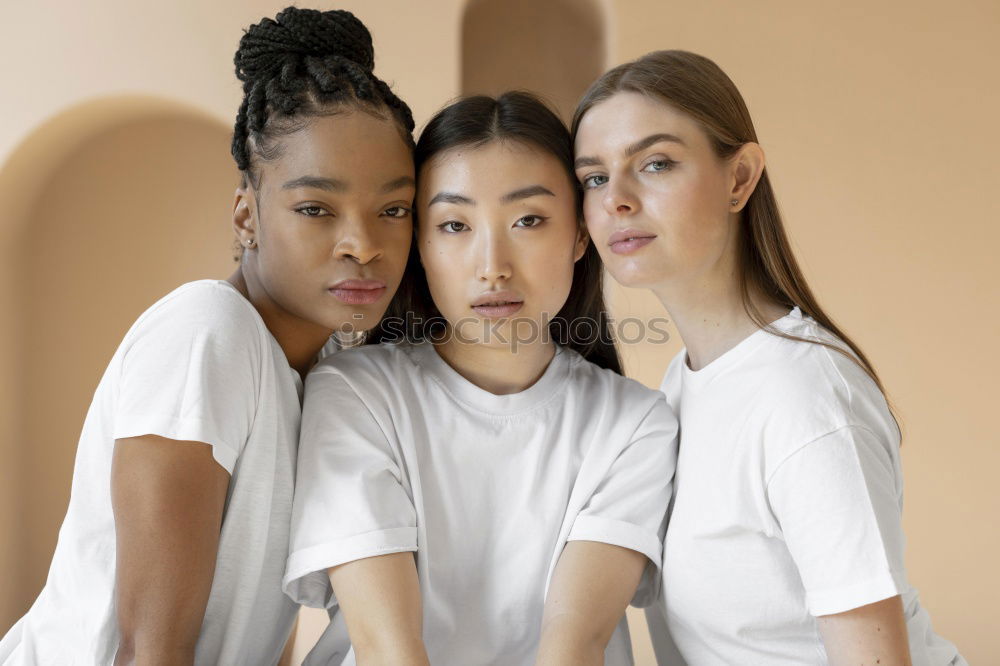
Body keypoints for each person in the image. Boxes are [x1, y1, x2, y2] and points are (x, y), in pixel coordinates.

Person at [0, 7, 415, 664]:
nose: (362, 245)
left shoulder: (332, 370)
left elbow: (254, 631)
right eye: (315, 208)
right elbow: (150, 652)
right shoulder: (208, 334)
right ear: (246, 215)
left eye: (393, 209)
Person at [572, 49, 964, 665]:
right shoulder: (687, 380)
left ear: (740, 177)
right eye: (594, 176)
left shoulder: (804, 397)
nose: (615, 198)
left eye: (655, 163)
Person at [283, 92, 678, 666]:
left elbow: (573, 648)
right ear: (420, 244)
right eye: (454, 224)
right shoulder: (353, 392)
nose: (492, 264)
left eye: (528, 220)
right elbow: (387, 648)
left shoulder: (636, 423)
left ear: (579, 235)